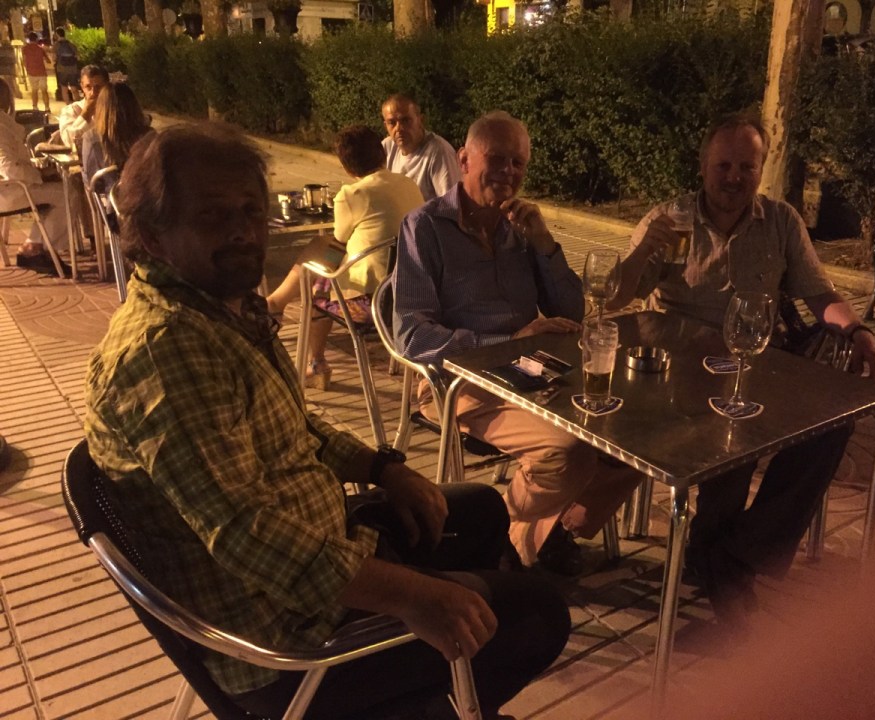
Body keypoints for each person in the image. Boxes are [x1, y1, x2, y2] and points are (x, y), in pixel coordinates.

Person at [84, 123, 569, 720]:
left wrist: (383, 468)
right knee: (539, 612)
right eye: (213, 216)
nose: (242, 230)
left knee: (482, 513)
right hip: (288, 642)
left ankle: (435, 693)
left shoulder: (218, 307)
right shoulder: (165, 351)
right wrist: (413, 596)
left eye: (252, 211)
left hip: (322, 552)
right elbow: (248, 534)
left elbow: (294, 421)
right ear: (152, 236)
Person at [607, 111, 875, 628]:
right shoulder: (670, 220)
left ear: (761, 169)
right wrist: (646, 249)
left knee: (832, 422)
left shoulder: (779, 221)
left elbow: (819, 293)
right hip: (682, 366)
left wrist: (857, 330)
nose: (734, 177)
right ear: (703, 166)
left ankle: (735, 554)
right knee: (731, 437)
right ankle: (720, 567)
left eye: (746, 166)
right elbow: (615, 297)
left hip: (758, 361)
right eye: (724, 166)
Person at [393, 111, 642, 575]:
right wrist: (508, 340)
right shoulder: (424, 228)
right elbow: (411, 334)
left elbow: (571, 312)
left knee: (637, 433)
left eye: (519, 163)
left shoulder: (520, 229)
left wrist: (545, 242)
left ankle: (548, 533)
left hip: (535, 368)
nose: (509, 172)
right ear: (464, 159)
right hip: (459, 382)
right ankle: (496, 540)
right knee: (567, 451)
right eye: (498, 159)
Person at [267, 125, 423, 389]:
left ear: (348, 168)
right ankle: (276, 303)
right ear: (382, 154)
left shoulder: (353, 194)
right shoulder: (408, 183)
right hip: (413, 294)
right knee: (325, 259)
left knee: (318, 282)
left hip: (375, 305)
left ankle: (315, 362)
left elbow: (339, 239)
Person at [0, 79, 68, 272]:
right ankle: (38, 249)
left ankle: (34, 244)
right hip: (9, 191)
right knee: (67, 193)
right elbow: (9, 168)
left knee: (54, 190)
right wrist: (38, 175)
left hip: (10, 188)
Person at [381, 94, 460, 201]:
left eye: (406, 120)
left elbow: (451, 205)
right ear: (385, 126)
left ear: (420, 120)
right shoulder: (387, 147)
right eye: (392, 123)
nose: (399, 128)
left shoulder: (439, 152)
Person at [81, 81, 152, 187]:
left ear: (101, 108)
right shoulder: (150, 135)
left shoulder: (92, 138)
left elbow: (92, 182)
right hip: (150, 196)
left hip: (116, 199)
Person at [58, 64, 108, 148]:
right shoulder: (71, 110)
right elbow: (69, 141)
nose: (93, 92)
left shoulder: (115, 109)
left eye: (98, 87)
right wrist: (86, 114)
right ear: (82, 86)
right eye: (88, 87)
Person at [21, 32, 50, 114]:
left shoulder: (25, 49)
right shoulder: (41, 49)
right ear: (36, 39)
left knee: (34, 91)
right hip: (41, 72)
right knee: (44, 91)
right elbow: (48, 60)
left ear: (29, 39)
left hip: (31, 72)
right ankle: (47, 108)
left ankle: (35, 107)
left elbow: (24, 60)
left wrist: (27, 68)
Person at [52, 27, 80, 104]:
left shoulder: (56, 45)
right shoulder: (71, 44)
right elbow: (78, 57)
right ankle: (78, 104)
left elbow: (54, 58)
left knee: (64, 88)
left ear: (57, 35)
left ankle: (68, 105)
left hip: (62, 69)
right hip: (72, 69)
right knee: (74, 87)